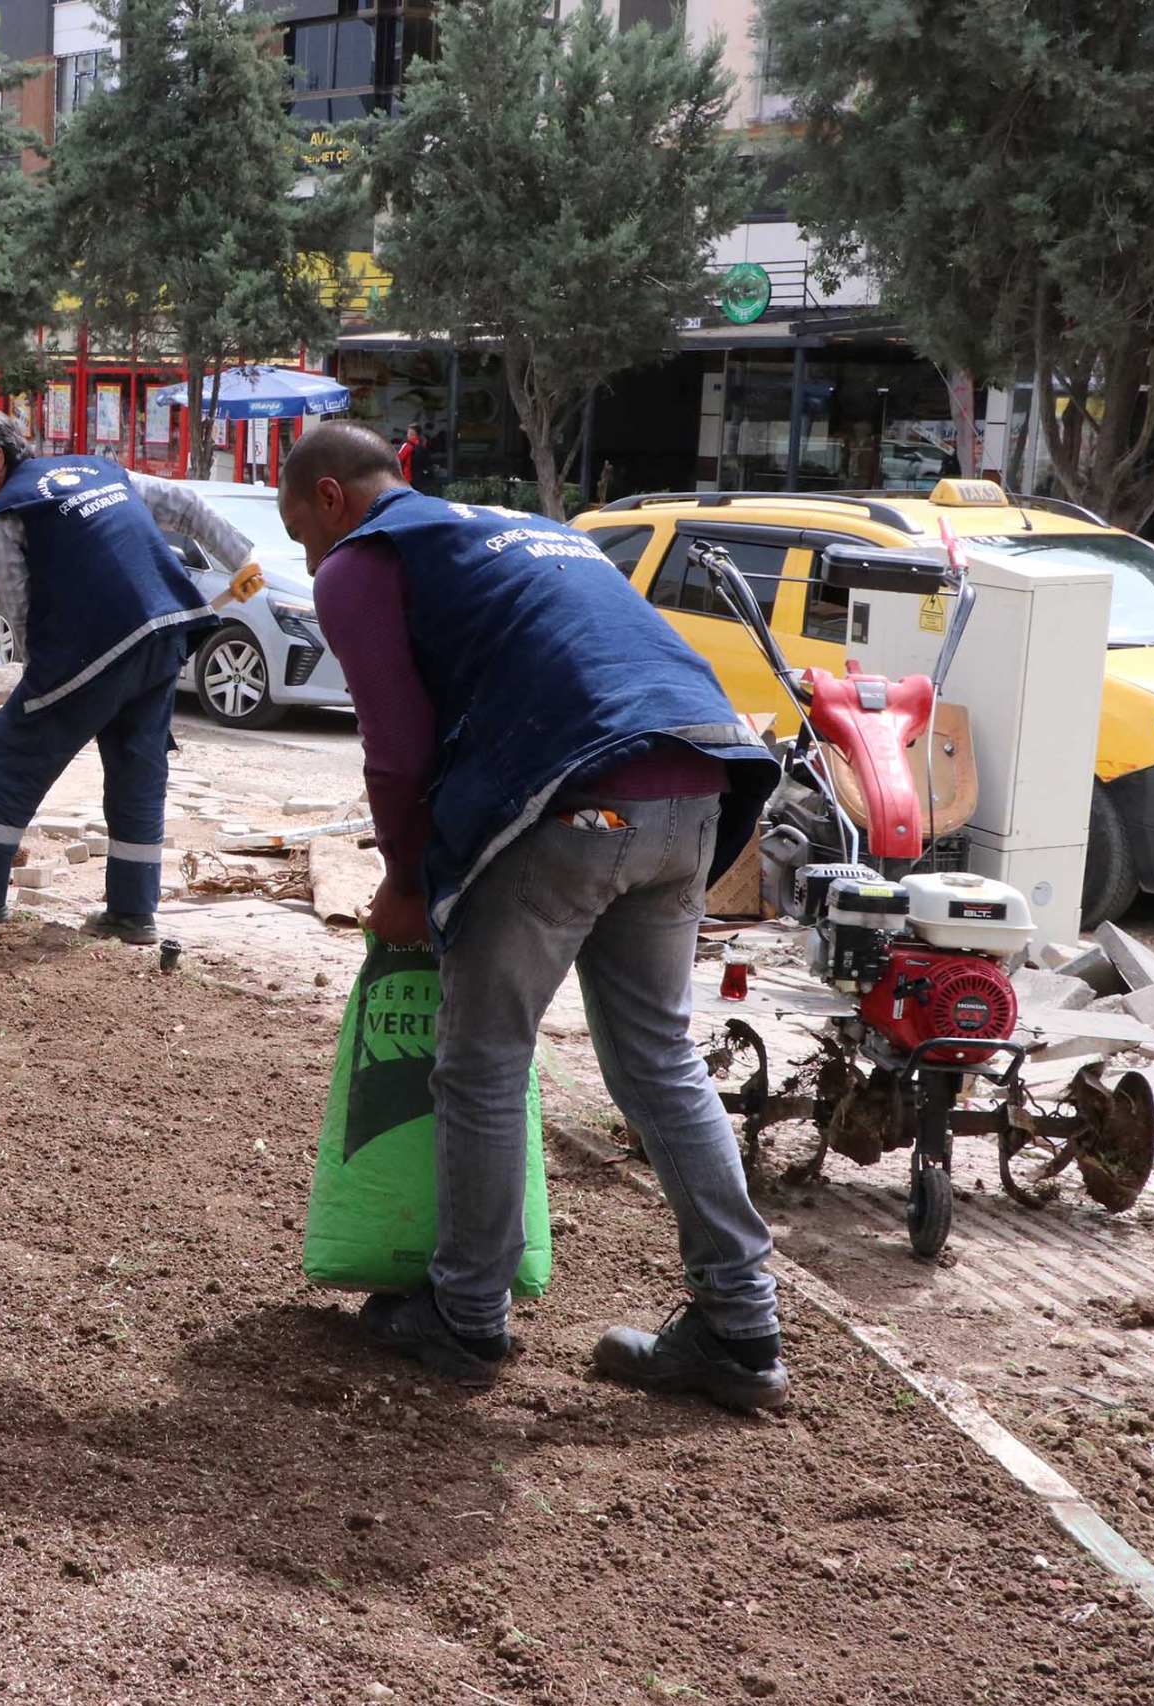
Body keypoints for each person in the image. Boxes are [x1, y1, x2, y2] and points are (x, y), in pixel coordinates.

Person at [275, 421, 789, 1412]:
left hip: (574, 797)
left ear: (330, 496)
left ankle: (464, 1314)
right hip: (701, 785)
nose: (311, 557)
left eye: (302, 530)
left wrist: (405, 879)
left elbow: (396, 745)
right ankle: (741, 1326)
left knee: (482, 1060)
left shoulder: (361, 563)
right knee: (657, 1062)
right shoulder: (522, 529)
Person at [0, 409, 264, 946]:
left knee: (10, 753)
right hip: (165, 630)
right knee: (135, 766)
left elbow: (20, 604)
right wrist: (241, 558)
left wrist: (36, 684)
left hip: (95, 646)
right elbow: (187, 505)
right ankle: (131, 910)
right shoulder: (99, 472)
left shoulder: (8, 512)